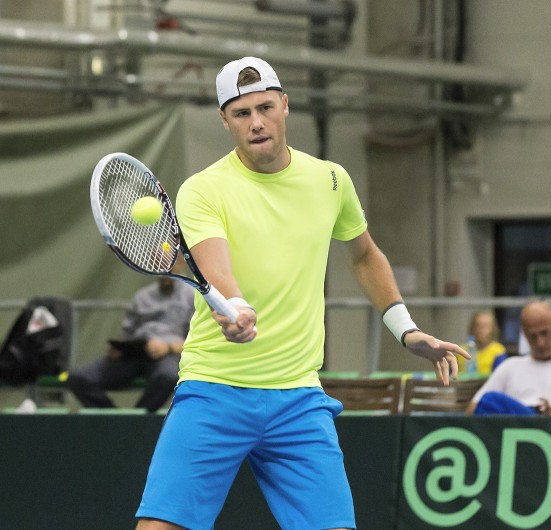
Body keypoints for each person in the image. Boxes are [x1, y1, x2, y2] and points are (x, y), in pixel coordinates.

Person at [135, 56, 469, 530]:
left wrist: (406, 329)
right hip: (214, 390)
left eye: (265, 108)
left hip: (298, 398)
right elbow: (215, 267)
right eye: (241, 113)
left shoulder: (330, 180)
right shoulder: (203, 189)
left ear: (285, 106)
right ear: (225, 121)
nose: (256, 123)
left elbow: (364, 255)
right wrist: (237, 308)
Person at [67, 276, 194, 412]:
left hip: (167, 356)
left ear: (181, 265)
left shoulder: (192, 296)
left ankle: (138, 419)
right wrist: (119, 347)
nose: (165, 271)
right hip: (133, 355)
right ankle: (115, 420)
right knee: (78, 378)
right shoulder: (142, 296)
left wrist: (169, 348)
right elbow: (127, 333)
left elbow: (197, 339)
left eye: (170, 266)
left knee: (168, 376)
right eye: (161, 266)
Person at [466, 301, 551, 417]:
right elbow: (473, 409)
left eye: (545, 333)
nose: (540, 343)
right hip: (518, 431)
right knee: (490, 401)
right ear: (524, 334)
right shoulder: (509, 367)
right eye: (533, 336)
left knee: (492, 400)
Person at [458, 310, 507, 375]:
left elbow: (500, 376)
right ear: (472, 328)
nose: (480, 329)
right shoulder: (460, 351)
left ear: (493, 329)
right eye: (477, 325)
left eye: (485, 326)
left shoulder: (498, 351)